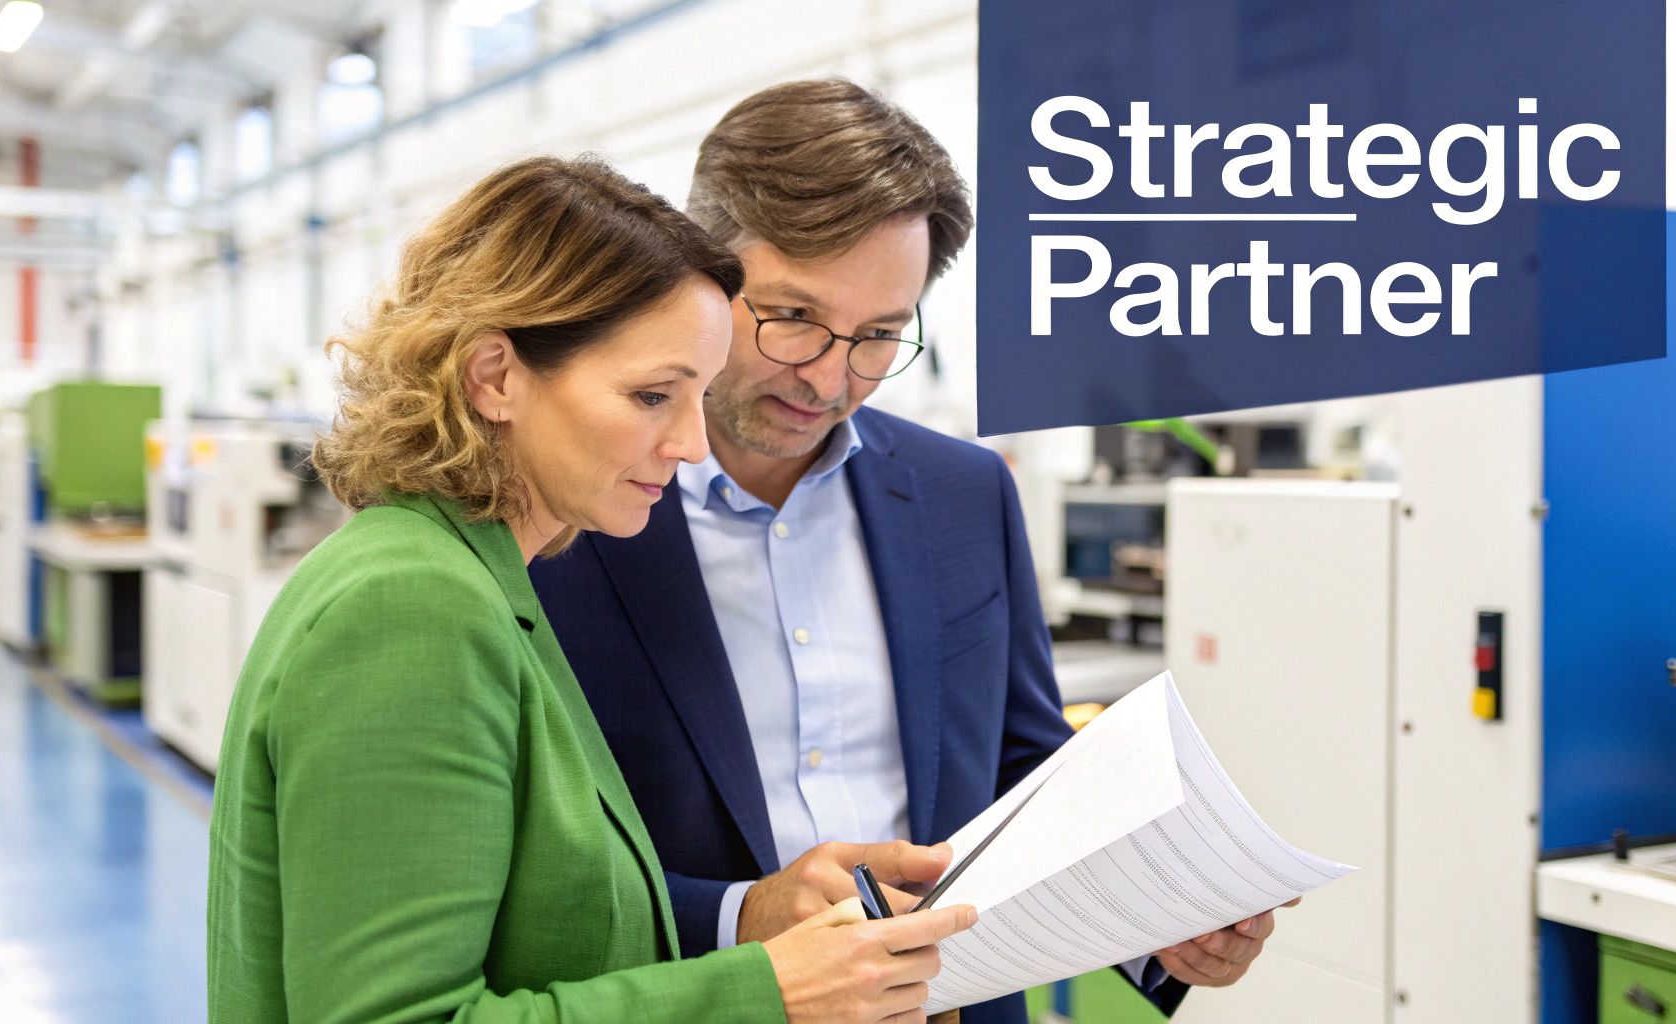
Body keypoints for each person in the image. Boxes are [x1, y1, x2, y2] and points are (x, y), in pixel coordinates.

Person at [532, 82, 1288, 1024]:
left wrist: (1157, 918)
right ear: (701, 275)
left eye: (881, 334)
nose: (830, 376)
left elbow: (1026, 770)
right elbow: (532, 875)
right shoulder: (562, 516)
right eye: (794, 317)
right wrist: (740, 922)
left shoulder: (963, 494)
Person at [206, 154, 974, 1024]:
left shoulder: (485, 581)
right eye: (653, 396)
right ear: (494, 378)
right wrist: (771, 992)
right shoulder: (413, 608)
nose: (689, 445)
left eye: (699, 397)